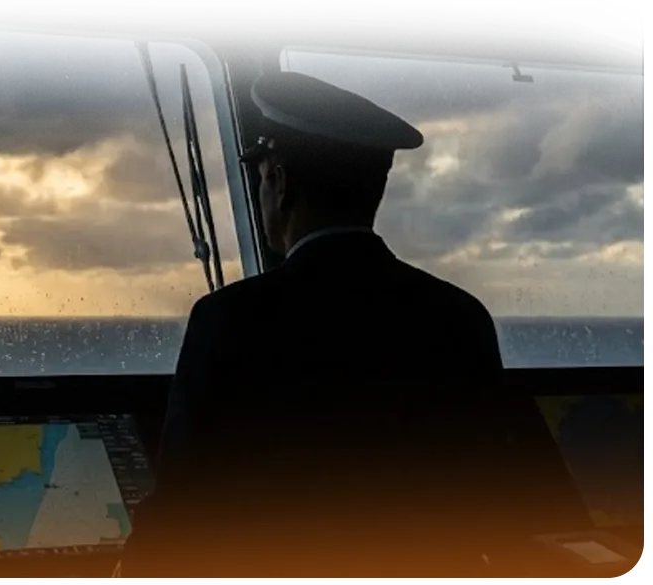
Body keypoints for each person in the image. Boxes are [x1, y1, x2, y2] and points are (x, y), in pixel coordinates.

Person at [119, 72, 548, 578]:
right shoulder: (460, 316)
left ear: (280, 183)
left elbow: (182, 509)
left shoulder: (232, 320)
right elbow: (497, 498)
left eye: (262, 178)